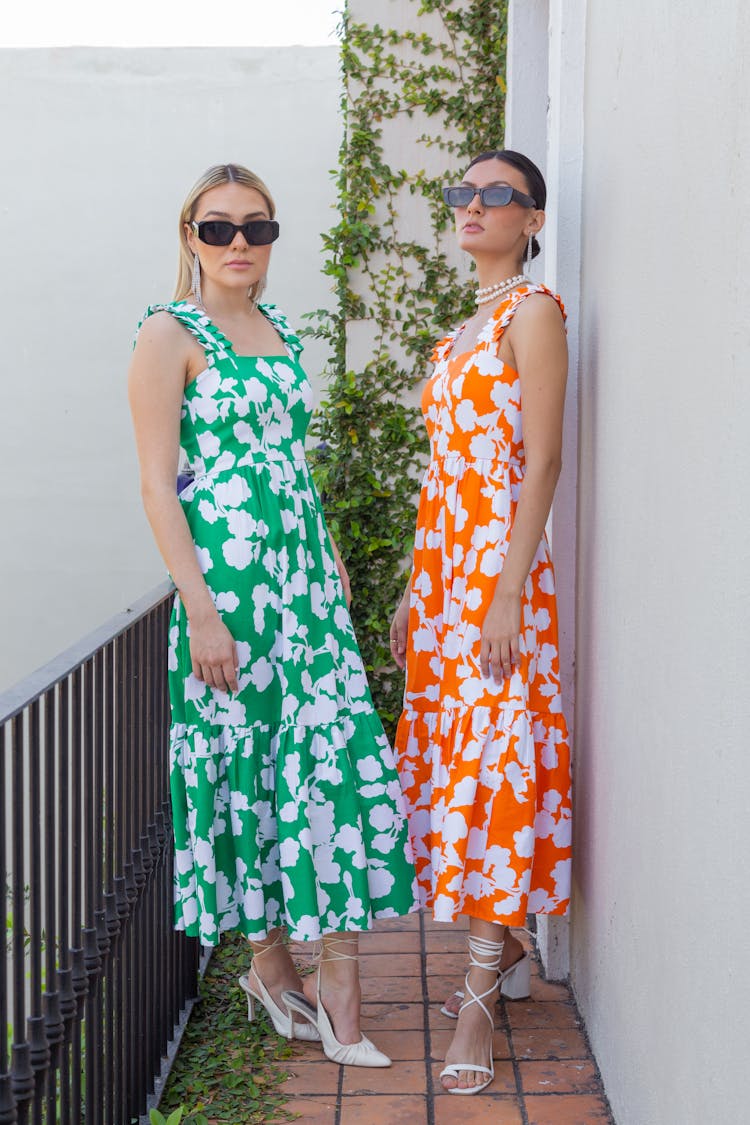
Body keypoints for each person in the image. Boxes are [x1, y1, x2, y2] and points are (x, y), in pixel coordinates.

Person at [128, 162, 418, 1068]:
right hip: (232, 596)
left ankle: (327, 975)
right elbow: (156, 486)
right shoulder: (167, 335)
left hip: (305, 591)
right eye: (218, 228)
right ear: (189, 238)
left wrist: (330, 566)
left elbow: (292, 468)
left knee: (327, 760)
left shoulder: (281, 329)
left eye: (256, 228)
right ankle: (278, 968)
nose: (239, 244)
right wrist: (201, 611)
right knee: (247, 767)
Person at [390, 149, 572, 1094]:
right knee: (460, 756)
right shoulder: (459, 329)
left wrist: (504, 590)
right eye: (462, 191)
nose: (472, 204)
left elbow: (538, 463)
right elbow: (442, 474)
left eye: (495, 194)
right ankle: (501, 951)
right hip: (445, 578)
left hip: (501, 579)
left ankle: (476, 994)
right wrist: (417, 590)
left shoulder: (533, 314)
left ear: (531, 219)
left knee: (497, 749)